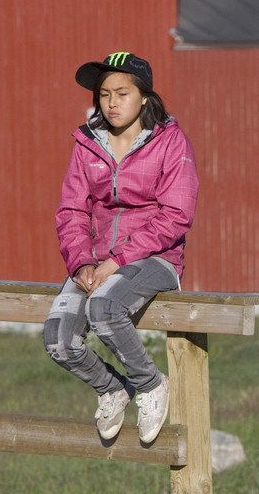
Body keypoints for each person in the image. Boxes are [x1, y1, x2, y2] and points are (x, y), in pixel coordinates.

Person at [44, 52, 198, 446]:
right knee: (58, 341)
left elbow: (176, 215)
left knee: (104, 308)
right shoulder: (87, 144)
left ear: (144, 96)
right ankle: (112, 389)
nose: (112, 103)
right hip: (95, 263)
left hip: (154, 260)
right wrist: (80, 264)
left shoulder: (169, 142)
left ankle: (149, 384)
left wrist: (116, 261)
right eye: (105, 94)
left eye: (122, 93)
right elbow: (72, 209)